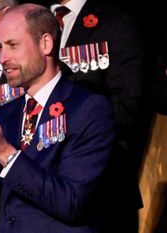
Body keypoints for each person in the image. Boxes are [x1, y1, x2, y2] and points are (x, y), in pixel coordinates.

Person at [0, 4, 117, 233]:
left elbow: (71, 201)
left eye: (13, 45)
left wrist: (3, 152)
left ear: (45, 43)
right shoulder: (2, 115)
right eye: (0, 47)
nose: (3, 57)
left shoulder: (87, 109)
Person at [50, 0, 146, 231]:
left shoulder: (116, 22)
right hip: (40, 186)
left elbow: (127, 106)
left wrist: (66, 127)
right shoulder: (35, 18)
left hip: (100, 187)